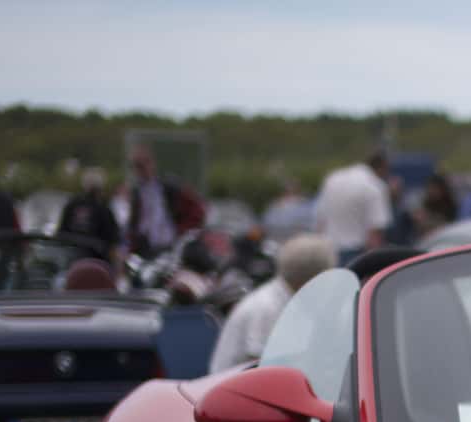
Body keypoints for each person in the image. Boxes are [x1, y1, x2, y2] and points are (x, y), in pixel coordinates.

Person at [208, 234, 337, 372]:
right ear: (312, 279)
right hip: (235, 387)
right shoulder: (267, 307)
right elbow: (260, 367)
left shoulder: (286, 298)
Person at [315, 150, 393, 263]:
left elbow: (321, 221)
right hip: (356, 254)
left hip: (328, 251)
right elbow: (375, 231)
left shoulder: (333, 178)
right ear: (382, 167)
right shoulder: (375, 185)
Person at [126, 146, 204, 257]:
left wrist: (183, 231)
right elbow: (135, 223)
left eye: (143, 165)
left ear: (152, 163)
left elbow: (197, 210)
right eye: (137, 166)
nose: (141, 170)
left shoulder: (170, 187)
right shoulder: (137, 193)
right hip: (146, 247)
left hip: (171, 244)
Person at [56, 167, 122, 262]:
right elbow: (113, 240)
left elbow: (61, 233)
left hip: (70, 260)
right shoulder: (103, 208)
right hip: (95, 262)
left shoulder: (72, 204)